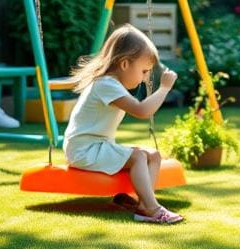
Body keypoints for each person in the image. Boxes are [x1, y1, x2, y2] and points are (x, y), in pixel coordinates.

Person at [63, 24, 183, 224]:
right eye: (144, 71)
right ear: (125, 64)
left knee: (153, 155)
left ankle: (144, 203)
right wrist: (164, 89)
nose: (146, 77)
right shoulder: (106, 84)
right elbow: (142, 111)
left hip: (98, 146)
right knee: (137, 157)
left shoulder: (111, 84)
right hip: (84, 149)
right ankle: (152, 209)